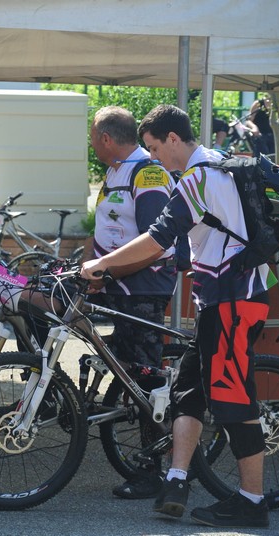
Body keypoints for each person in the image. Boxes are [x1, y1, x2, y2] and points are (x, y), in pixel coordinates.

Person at [81, 104, 274, 529]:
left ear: (172, 139)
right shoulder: (218, 165)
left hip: (232, 301)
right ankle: (176, 481)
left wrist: (101, 264)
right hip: (224, 300)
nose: (151, 157)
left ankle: (252, 501)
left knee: (234, 403)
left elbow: (157, 239)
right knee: (187, 391)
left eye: (153, 148)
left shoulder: (198, 178)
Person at [87, 106, 180, 499]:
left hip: (143, 287)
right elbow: (105, 230)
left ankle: (151, 471)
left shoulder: (148, 172)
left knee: (145, 381)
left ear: (106, 138)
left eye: (93, 137)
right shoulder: (115, 172)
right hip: (118, 284)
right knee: (127, 371)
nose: (92, 144)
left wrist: (107, 272)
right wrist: (84, 267)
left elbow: (155, 244)